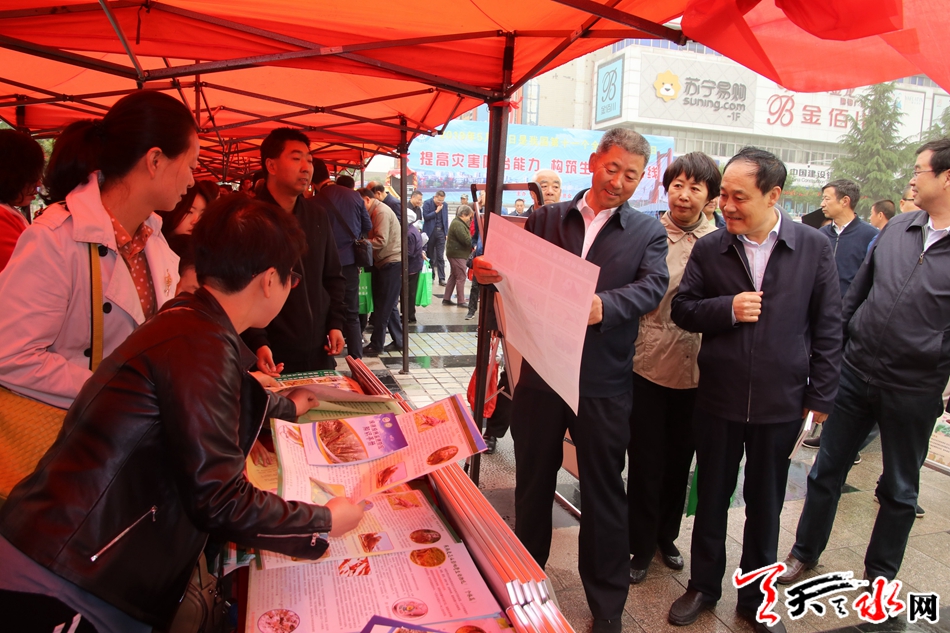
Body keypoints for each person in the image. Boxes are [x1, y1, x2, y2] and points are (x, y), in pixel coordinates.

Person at [0, 195, 365, 633]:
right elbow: (220, 499)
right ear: (270, 280)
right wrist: (324, 521)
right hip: (69, 579)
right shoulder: (202, 342)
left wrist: (284, 405)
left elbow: (201, 400)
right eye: (292, 278)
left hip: (68, 554)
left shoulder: (190, 321)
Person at [474, 127, 669, 633]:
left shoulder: (646, 231)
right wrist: (486, 272)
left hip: (603, 381)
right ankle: (525, 583)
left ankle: (607, 606)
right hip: (541, 373)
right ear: (593, 161)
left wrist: (606, 306)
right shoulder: (547, 218)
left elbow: (653, 286)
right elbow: (508, 270)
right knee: (532, 482)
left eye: (631, 175)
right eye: (613, 168)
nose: (618, 181)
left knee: (604, 492)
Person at [667, 147, 841, 633]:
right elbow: (683, 309)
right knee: (711, 497)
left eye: (739, 197)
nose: (726, 205)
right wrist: (728, 308)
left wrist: (820, 397)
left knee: (766, 505)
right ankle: (703, 586)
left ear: (773, 195)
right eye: (723, 195)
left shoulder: (813, 247)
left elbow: (829, 325)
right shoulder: (712, 248)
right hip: (718, 397)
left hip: (781, 401)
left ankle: (755, 598)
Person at [778, 139, 950, 588]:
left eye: (919, 170)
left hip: (914, 387)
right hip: (855, 372)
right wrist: (834, 354)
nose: (911, 179)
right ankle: (803, 552)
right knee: (826, 470)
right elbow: (857, 294)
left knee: (899, 488)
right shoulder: (898, 228)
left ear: (947, 177)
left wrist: (935, 363)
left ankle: (880, 575)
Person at [0, 91, 189, 410]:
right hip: (73, 426)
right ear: (155, 161)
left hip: (129, 424)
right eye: (190, 164)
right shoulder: (55, 238)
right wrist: (116, 390)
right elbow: (11, 354)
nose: (192, 179)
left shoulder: (152, 238)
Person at [627, 152, 720, 585]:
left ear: (709, 196)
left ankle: (667, 536)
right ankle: (640, 544)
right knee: (645, 460)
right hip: (647, 363)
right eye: (677, 185)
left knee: (680, 460)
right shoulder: (648, 234)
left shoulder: (720, 242)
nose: (684, 195)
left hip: (698, 370)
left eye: (695, 187)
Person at [242, 128, 346, 374]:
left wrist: (336, 323)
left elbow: (333, 276)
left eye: (309, 160)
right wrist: (258, 341)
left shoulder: (317, 216)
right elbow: (240, 288)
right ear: (271, 165)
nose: (306, 168)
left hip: (320, 351)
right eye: (296, 158)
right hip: (271, 356)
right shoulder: (249, 219)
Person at [313, 158, 373, 359]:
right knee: (352, 314)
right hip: (349, 262)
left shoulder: (313, 202)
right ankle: (357, 361)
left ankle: (327, 357)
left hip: (323, 267)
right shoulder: (354, 195)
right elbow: (367, 226)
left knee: (324, 311)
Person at [359, 187, 403, 355]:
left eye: (360, 203)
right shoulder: (374, 211)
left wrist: (360, 243)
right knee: (388, 305)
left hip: (391, 262)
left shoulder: (380, 212)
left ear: (367, 199)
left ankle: (377, 344)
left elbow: (381, 240)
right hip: (383, 262)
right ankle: (399, 340)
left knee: (383, 307)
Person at [819, 179, 878, 297]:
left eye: (827, 199)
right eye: (823, 199)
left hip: (853, 306)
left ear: (845, 201)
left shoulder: (871, 236)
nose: (822, 204)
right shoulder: (820, 234)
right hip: (822, 304)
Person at [0, 129, 44, 271]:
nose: (38, 184)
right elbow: (24, 272)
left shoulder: (7, 212)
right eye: (31, 177)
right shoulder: (2, 219)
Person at [443, 205, 474, 307]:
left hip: (455, 253)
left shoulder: (458, 222)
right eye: (469, 217)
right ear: (463, 214)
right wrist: (474, 241)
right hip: (457, 254)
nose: (470, 219)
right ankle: (461, 301)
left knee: (453, 276)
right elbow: (466, 240)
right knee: (461, 276)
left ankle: (446, 298)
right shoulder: (458, 224)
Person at [402, 208, 425, 324]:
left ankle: (409, 315)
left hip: (411, 267)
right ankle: (408, 314)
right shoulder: (413, 230)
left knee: (409, 293)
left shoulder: (409, 233)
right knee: (409, 292)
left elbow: (409, 253)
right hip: (414, 266)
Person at [422, 190, 448, 286]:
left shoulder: (445, 205)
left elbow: (445, 219)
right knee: (430, 256)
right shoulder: (427, 203)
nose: (440, 203)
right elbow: (426, 217)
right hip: (430, 232)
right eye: (439, 200)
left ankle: (442, 278)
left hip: (441, 232)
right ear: (435, 197)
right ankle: (431, 276)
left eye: (442, 201)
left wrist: (446, 232)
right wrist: (436, 211)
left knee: (440, 256)